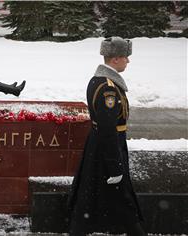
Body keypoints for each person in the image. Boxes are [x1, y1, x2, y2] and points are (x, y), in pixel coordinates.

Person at [67, 37, 146, 236]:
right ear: (116, 59)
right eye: (126, 57)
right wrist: (115, 164)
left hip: (100, 146)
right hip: (106, 148)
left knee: (90, 196)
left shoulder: (103, 81)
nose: (128, 61)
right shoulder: (108, 87)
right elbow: (108, 128)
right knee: (118, 195)